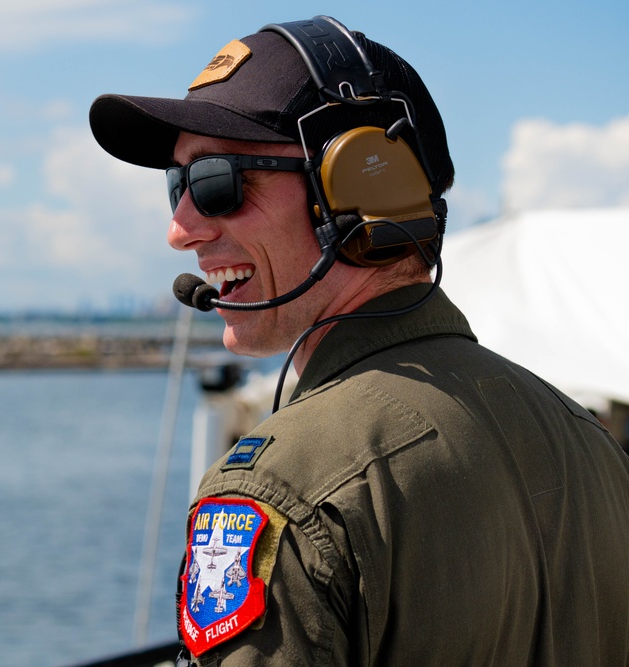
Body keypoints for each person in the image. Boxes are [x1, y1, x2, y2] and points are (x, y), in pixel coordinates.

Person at [89, 15, 629, 667]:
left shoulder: (280, 483)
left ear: (359, 185)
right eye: (178, 187)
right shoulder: (590, 442)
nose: (181, 229)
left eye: (214, 182)